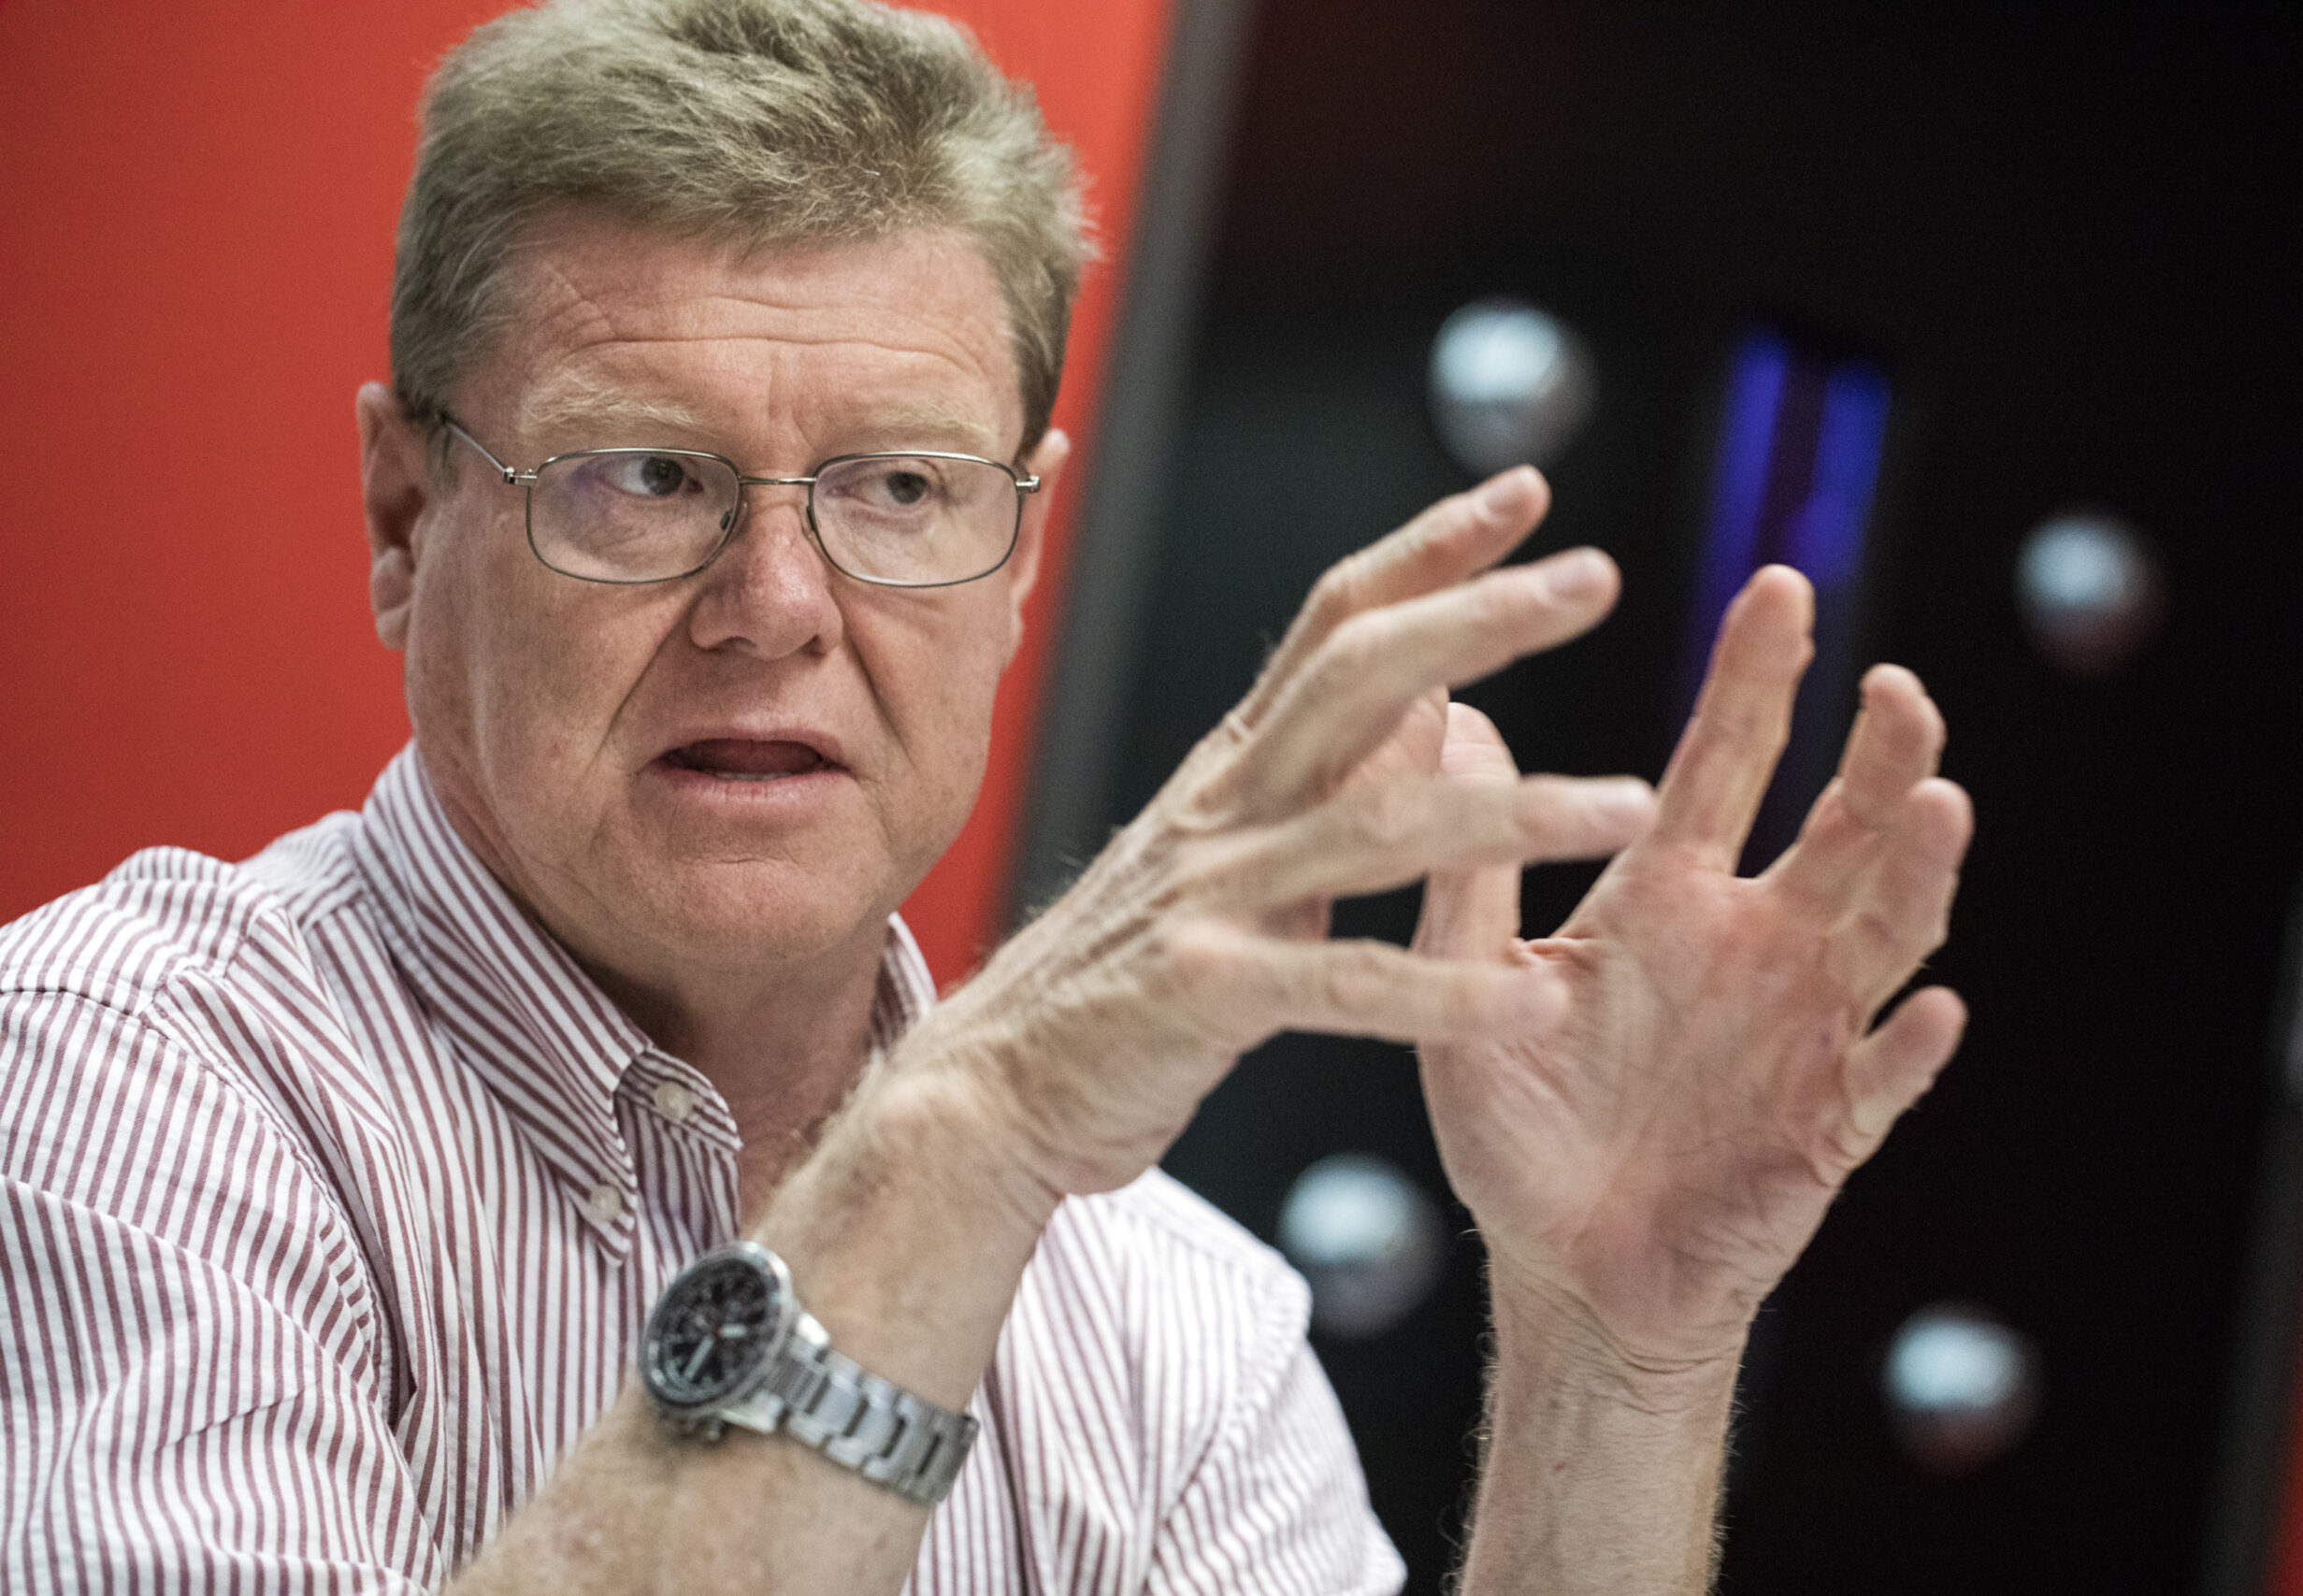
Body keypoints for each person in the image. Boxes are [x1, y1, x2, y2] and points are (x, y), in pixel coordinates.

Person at [0, 0, 1972, 1590]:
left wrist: (1609, 1354)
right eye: (644, 476)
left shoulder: (1168, 1320)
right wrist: (966, 1138)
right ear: (404, 515)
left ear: (1018, 552)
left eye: (897, 489)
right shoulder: (121, 1086)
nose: (775, 608)